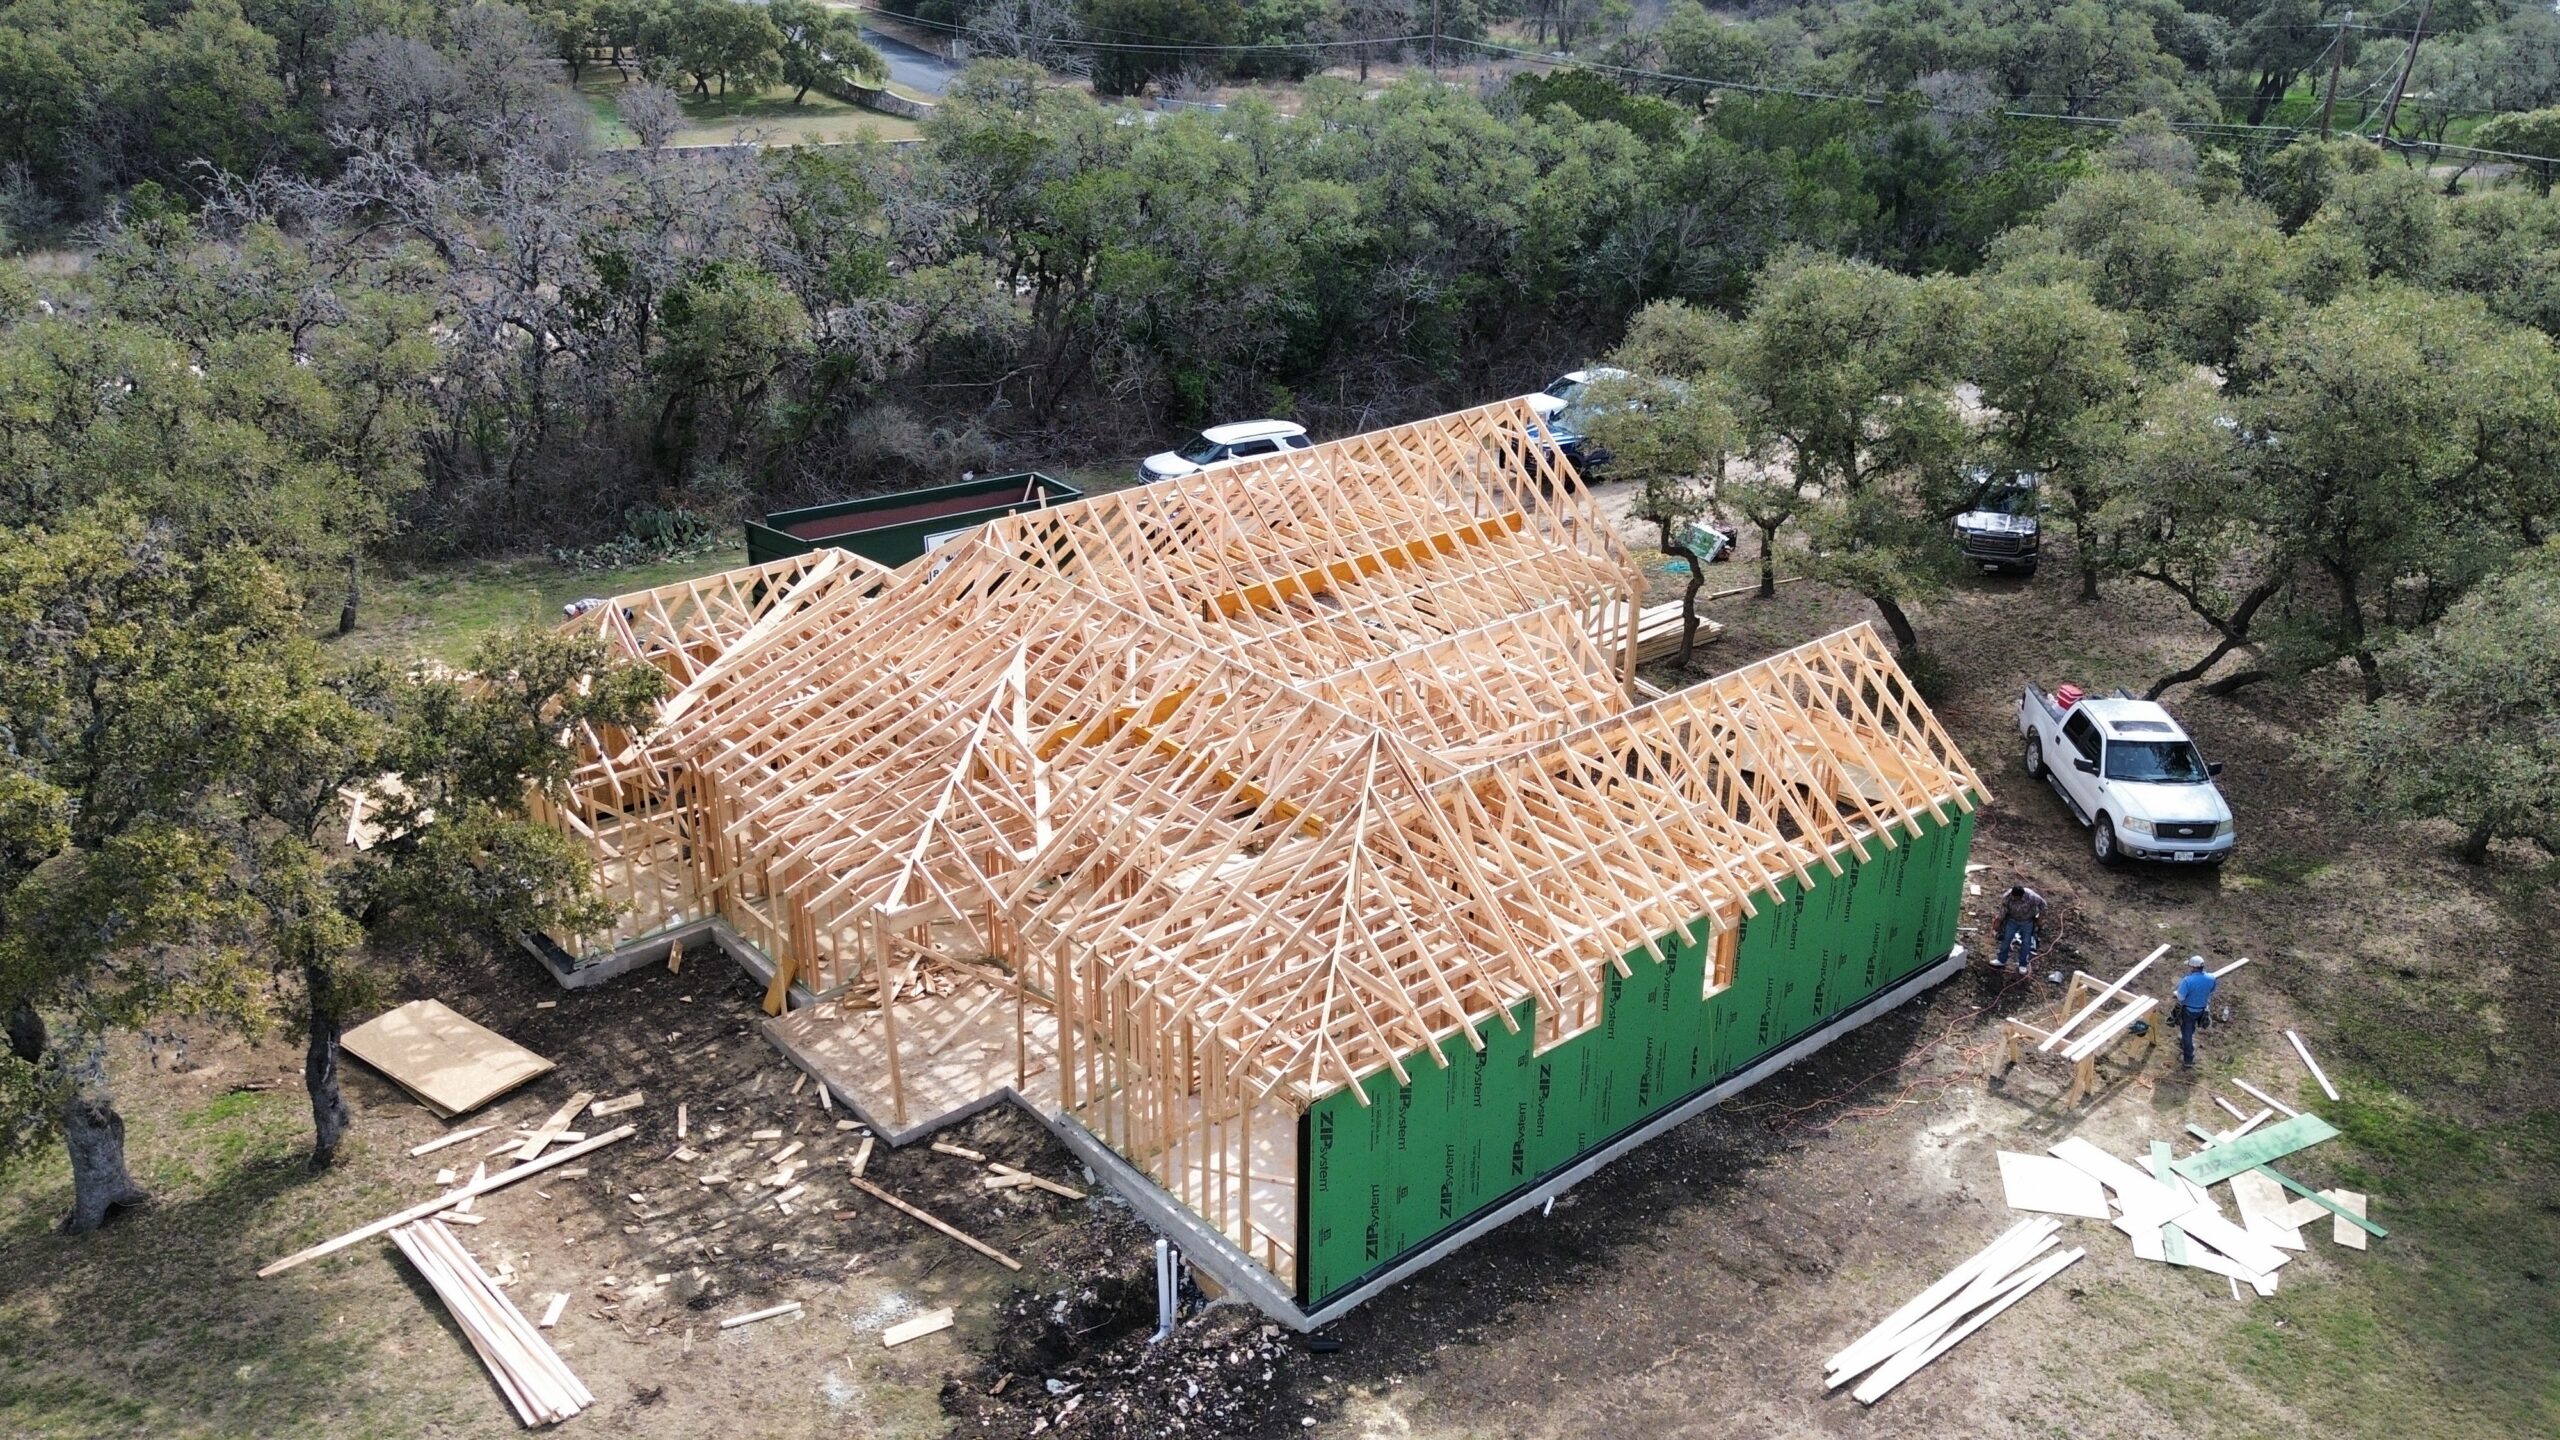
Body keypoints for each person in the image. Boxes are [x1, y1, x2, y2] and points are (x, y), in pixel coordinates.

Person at [2174, 955, 2219, 1068]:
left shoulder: (2188, 980)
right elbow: (2212, 990)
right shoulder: (2211, 978)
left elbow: (2180, 997)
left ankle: (2188, 1059)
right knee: (2190, 1028)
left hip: (2189, 1010)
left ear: (2193, 967)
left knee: (2187, 1033)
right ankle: (2185, 1040)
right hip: (2202, 1010)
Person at [1995, 885, 2046, 974]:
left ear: (2021, 896)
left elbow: (2043, 905)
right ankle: (2001, 960)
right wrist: (1998, 922)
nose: (2014, 898)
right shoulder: (2007, 897)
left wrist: (2040, 919)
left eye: (2016, 898)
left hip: (2027, 921)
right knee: (2006, 939)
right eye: (2013, 896)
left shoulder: (2032, 897)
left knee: (2026, 943)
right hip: (2012, 920)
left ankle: (2022, 964)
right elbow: (2002, 910)